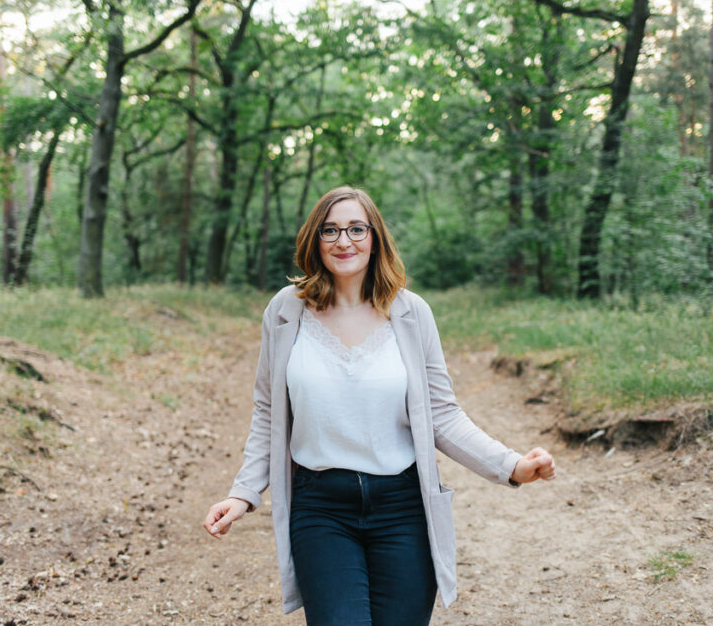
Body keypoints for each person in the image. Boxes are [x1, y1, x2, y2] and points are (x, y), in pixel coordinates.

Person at [203, 186, 556, 625]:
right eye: (330, 230)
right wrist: (243, 493)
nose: (343, 241)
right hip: (321, 509)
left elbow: (442, 414)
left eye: (356, 228)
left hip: (402, 508)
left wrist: (511, 466)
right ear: (315, 240)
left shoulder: (411, 314)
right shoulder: (285, 312)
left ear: (375, 237)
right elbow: (268, 412)